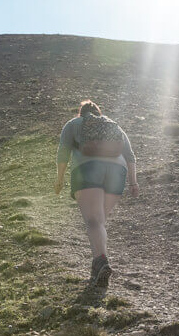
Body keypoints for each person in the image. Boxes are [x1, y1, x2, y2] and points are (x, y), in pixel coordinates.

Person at [55, 100, 139, 287]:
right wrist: (133, 182)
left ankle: (101, 261)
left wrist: (59, 179)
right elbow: (130, 156)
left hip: (88, 168)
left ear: (81, 113)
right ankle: (97, 268)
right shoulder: (113, 125)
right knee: (99, 222)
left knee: (93, 221)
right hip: (118, 172)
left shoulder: (73, 124)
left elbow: (63, 152)